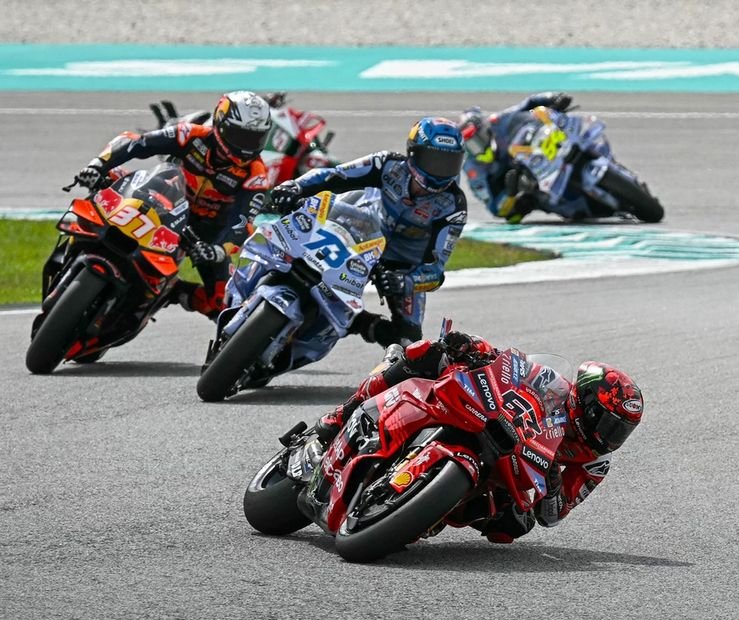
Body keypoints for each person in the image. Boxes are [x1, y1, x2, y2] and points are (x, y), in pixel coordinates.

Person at [310, 330, 644, 543]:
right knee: (422, 356)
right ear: (584, 401)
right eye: (608, 423)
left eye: (620, 431)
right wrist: (472, 346)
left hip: (511, 470)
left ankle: (426, 508)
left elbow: (554, 516)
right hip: (487, 417)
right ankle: (339, 415)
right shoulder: (554, 384)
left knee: (513, 525)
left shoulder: (595, 464)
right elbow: (509, 365)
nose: (608, 436)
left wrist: (554, 486)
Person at [269, 117, 467, 348]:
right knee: (292, 243)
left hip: (399, 266)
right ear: (413, 154)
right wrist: (296, 186)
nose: (440, 170)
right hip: (356, 234)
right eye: (434, 159)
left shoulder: (453, 206)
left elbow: (435, 272)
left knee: (409, 342)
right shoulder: (386, 164)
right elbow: (335, 175)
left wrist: (406, 281)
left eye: (448, 162)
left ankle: (361, 323)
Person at [76, 90, 272, 319]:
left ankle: (173, 292)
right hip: (163, 201)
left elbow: (242, 223)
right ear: (220, 124)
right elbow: (136, 143)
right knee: (111, 180)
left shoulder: (256, 174)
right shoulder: (190, 134)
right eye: (240, 136)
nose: (247, 146)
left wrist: (218, 251)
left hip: (205, 232)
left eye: (255, 138)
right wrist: (97, 165)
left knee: (222, 301)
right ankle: (81, 239)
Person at [458, 92, 574, 223]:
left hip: (541, 152)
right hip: (529, 187)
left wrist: (553, 98)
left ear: (485, 129)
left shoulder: (498, 121)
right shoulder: (473, 171)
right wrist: (510, 192)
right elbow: (495, 208)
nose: (477, 147)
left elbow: (529, 103)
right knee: (515, 214)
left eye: (478, 140)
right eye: (470, 145)